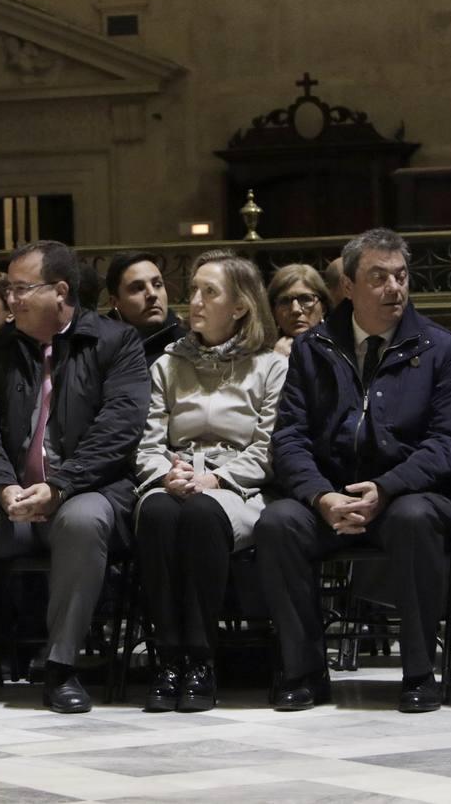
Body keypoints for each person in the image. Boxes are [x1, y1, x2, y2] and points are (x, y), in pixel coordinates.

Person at [254, 228, 451, 713]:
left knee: (415, 520)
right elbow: (289, 436)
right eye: (378, 277)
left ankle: (420, 671)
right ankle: (306, 672)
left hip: (407, 493)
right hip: (331, 495)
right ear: (347, 287)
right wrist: (319, 496)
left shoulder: (440, 348)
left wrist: (386, 487)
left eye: (401, 276)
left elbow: (449, 443)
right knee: (277, 523)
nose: (394, 288)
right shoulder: (314, 347)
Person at [0, 240, 149, 715]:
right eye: (8, 288)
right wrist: (0, 485)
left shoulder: (114, 341)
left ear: (61, 292)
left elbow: (121, 427)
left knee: (86, 521)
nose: (11, 298)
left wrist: (60, 486)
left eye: (20, 288)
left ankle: (61, 667)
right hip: (9, 501)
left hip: (81, 492)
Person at [134, 251, 287, 712]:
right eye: (193, 290)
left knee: (202, 515)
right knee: (158, 512)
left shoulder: (269, 367)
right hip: (174, 475)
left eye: (209, 292)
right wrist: (167, 474)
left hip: (235, 485)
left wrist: (214, 478)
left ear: (240, 306)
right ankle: (167, 658)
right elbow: (147, 441)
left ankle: (200, 658)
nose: (193, 301)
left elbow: (267, 449)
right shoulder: (167, 364)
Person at [106, 251, 185, 364]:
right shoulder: (101, 351)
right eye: (138, 288)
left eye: (157, 285)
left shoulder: (187, 344)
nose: (152, 294)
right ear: (115, 302)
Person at [267, 263, 332, 357]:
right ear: (273, 311)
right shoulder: (261, 358)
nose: (295, 310)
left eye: (305, 299)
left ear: (323, 308)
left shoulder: (341, 349)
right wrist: (276, 361)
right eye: (285, 301)